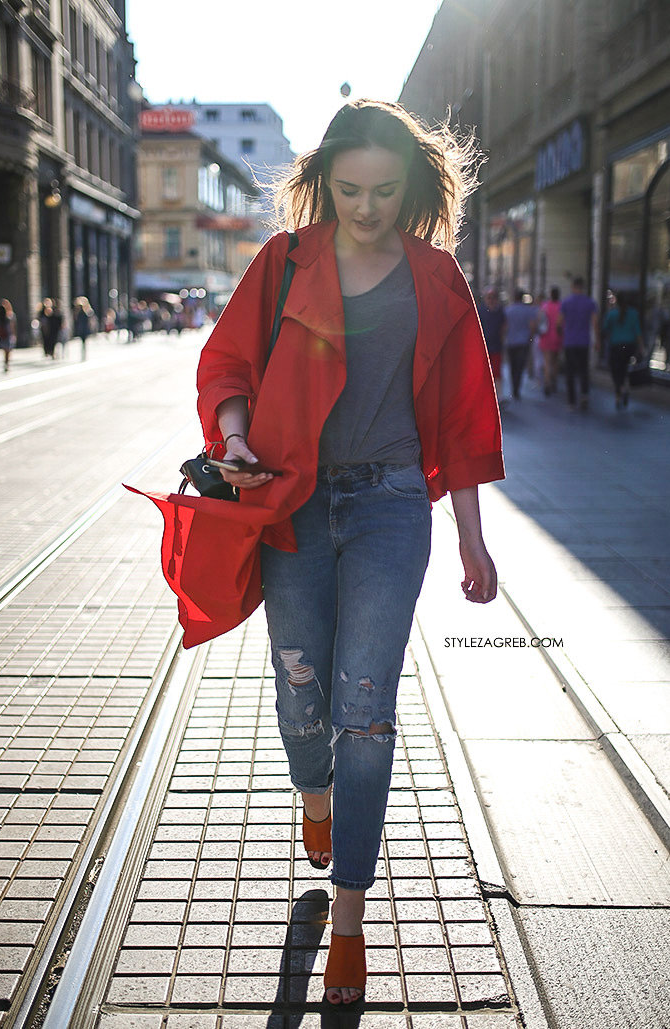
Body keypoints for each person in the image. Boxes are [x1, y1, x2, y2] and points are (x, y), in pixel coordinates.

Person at [169, 99, 503, 1008]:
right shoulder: (286, 262)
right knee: (300, 689)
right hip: (292, 500)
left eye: (384, 191)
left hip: (392, 502)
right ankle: (312, 791)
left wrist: (472, 537)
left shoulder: (437, 277)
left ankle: (349, 917)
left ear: (412, 184)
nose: (365, 207)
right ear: (324, 185)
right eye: (349, 190)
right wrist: (232, 439)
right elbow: (226, 365)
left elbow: (468, 412)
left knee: (367, 705)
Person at [559, 276, 599, 410]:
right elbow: (594, 323)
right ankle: (584, 395)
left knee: (570, 371)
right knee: (583, 370)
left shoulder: (566, 302)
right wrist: (597, 340)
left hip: (569, 341)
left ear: (572, 287)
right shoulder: (590, 302)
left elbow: (559, 322)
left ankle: (571, 401)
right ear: (583, 287)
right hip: (583, 341)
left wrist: (562, 334)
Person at [603, 292, 643, 409]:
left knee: (616, 370)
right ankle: (623, 388)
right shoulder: (633, 313)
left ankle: (619, 392)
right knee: (624, 368)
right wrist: (641, 346)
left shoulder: (612, 314)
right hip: (629, 346)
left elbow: (605, 329)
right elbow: (638, 332)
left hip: (616, 345)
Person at [503, 289, 537, 399]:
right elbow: (532, 326)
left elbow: (505, 326)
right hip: (523, 342)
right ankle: (517, 388)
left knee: (512, 366)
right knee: (520, 366)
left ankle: (514, 388)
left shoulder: (508, 310)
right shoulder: (528, 311)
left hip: (511, 341)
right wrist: (530, 338)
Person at [477, 287, 507, 401]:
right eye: (489, 297)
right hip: (484, 347)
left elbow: (504, 326)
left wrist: (502, 338)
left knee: (497, 372)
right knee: (484, 372)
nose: (491, 300)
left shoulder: (499, 311)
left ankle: (499, 395)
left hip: (496, 346)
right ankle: (484, 394)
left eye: (493, 297)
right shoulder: (481, 310)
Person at [538, 286, 563, 395]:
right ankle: (554, 380)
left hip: (546, 336)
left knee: (547, 361)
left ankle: (547, 382)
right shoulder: (562, 306)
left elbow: (539, 319)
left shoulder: (545, 306)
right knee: (555, 361)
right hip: (558, 336)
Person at [0, 298, 17, 372]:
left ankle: (6, 362)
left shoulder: (11, 315)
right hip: (2, 334)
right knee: (5, 349)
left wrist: (13, 334)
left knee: (7, 350)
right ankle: (6, 362)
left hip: (8, 334)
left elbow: (12, 325)